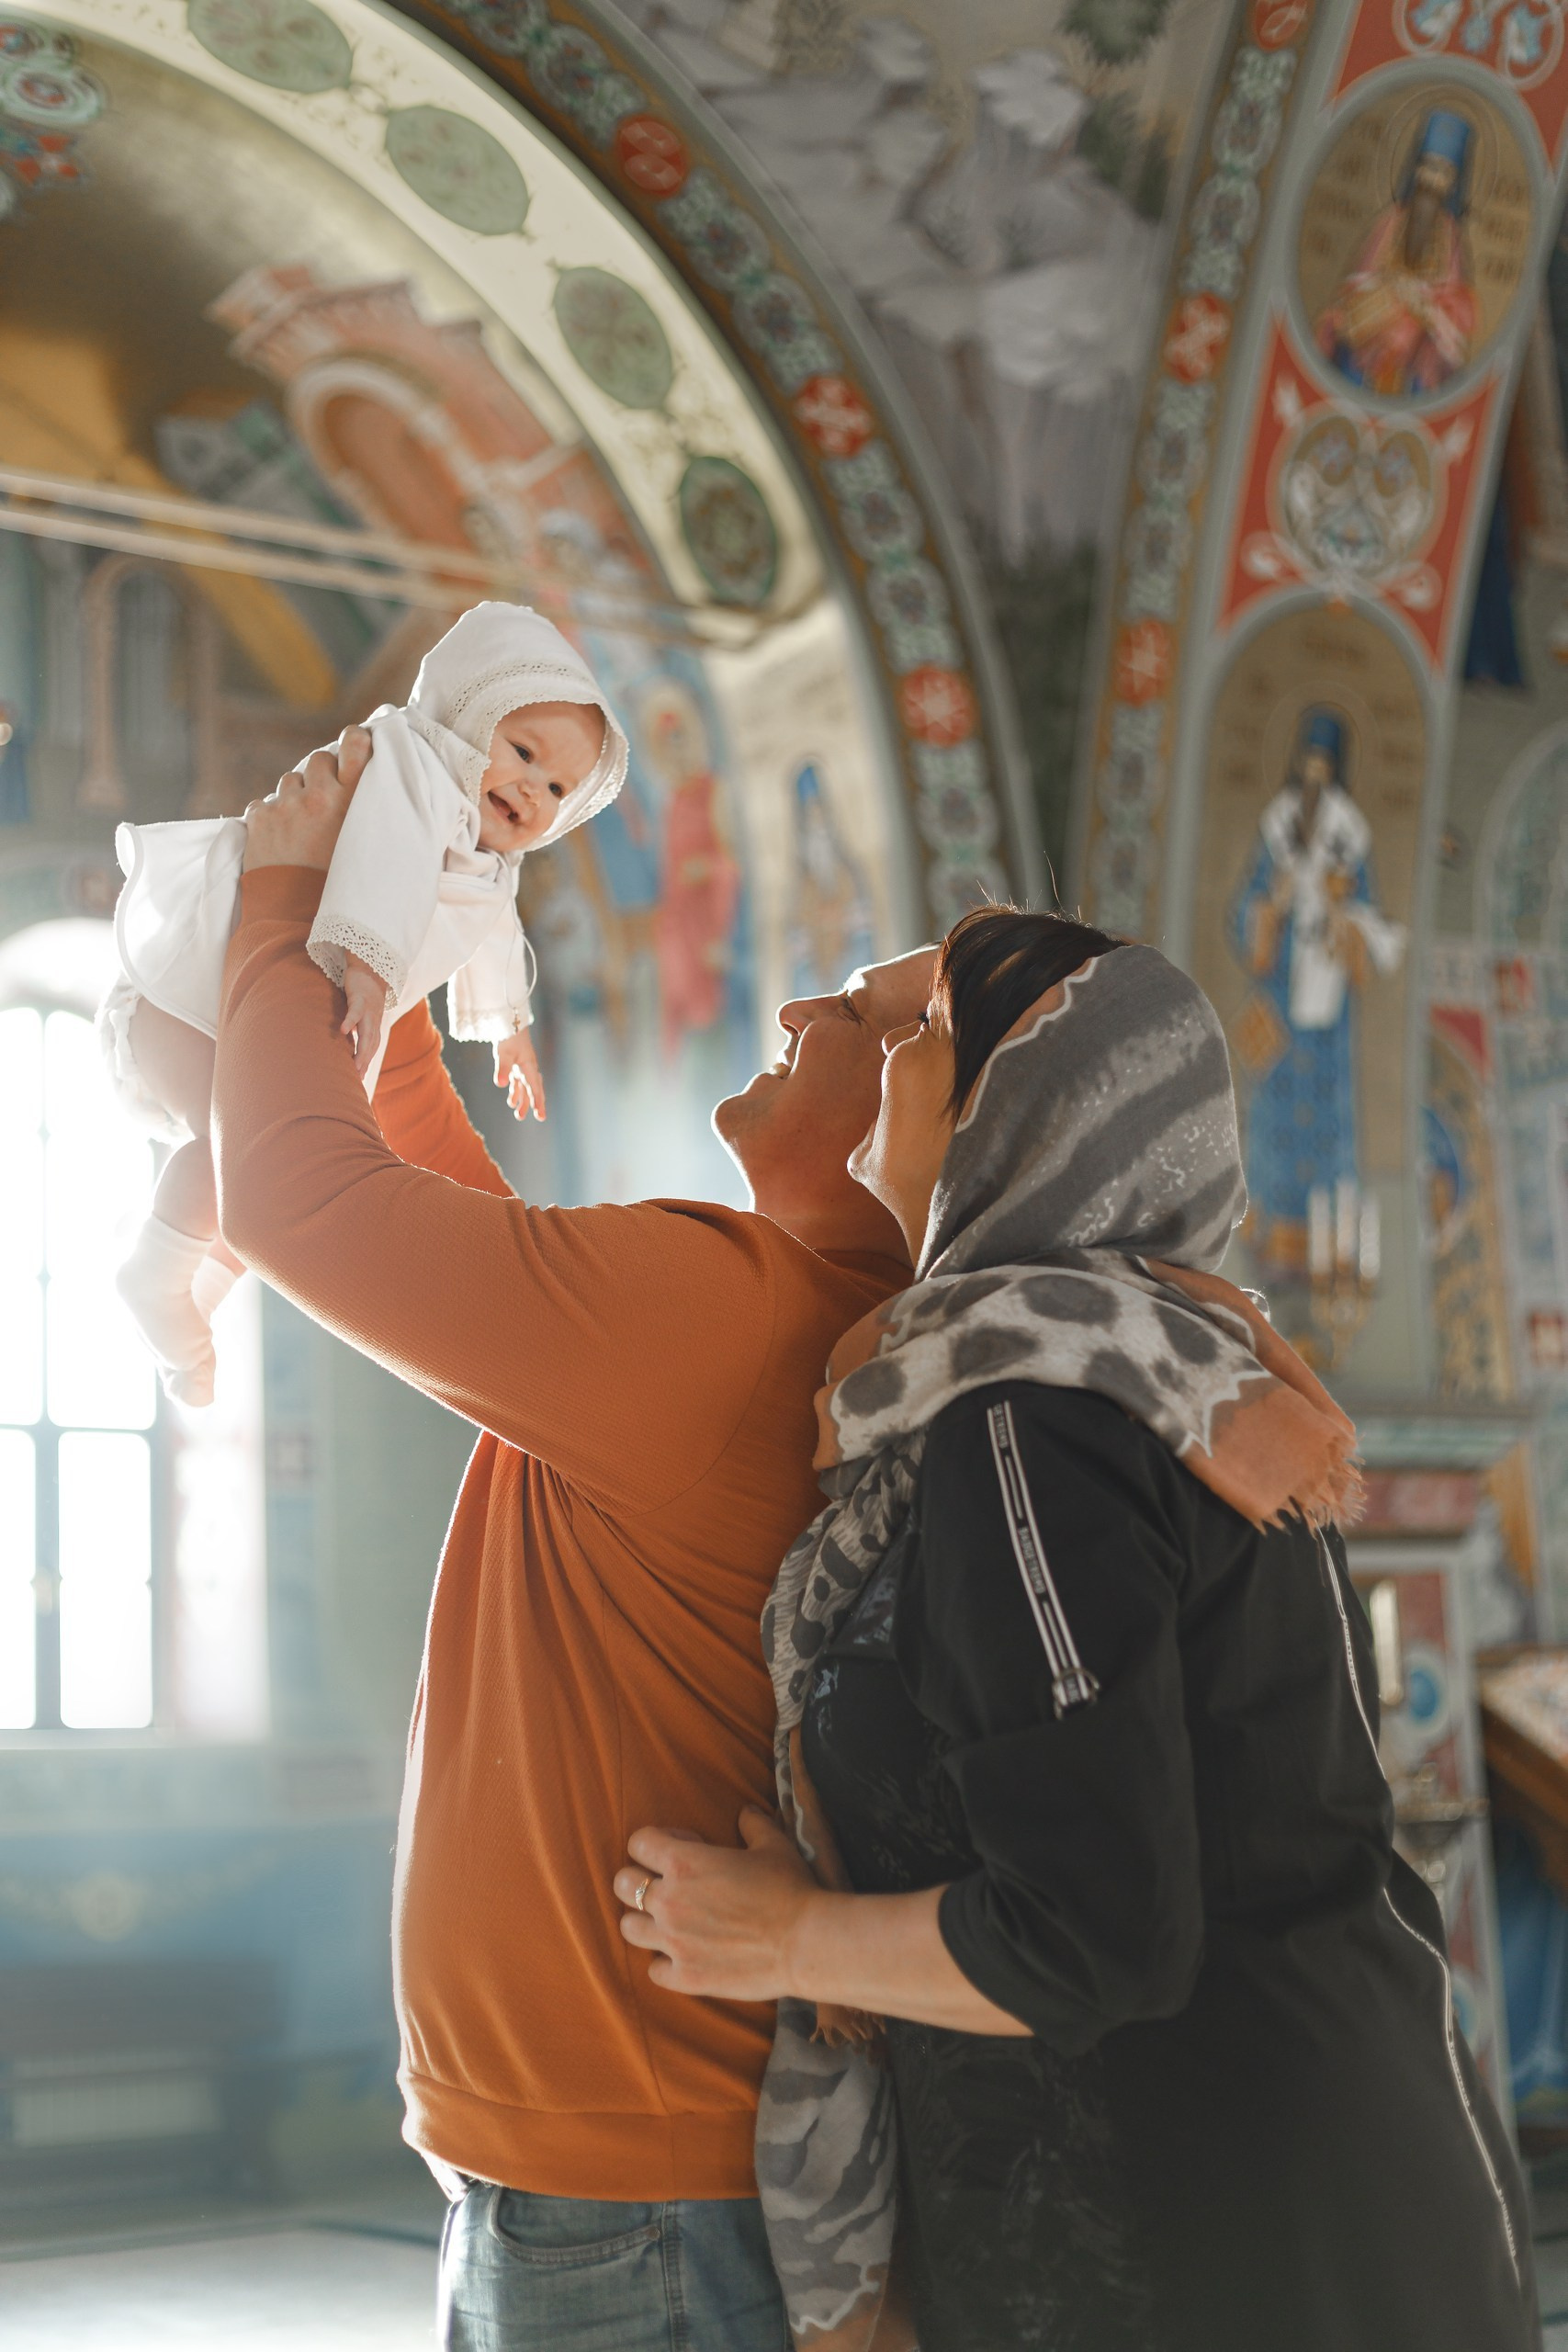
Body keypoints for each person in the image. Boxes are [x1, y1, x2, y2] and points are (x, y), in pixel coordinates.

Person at [615, 906, 1540, 2352]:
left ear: (1016, 1102)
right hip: (1287, 2170)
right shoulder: (1141, 1364)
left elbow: (1091, 1936)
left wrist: (788, 1939)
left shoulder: (1031, 1412)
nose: (878, 1049)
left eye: (919, 1027)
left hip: (1239, 2229)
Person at [212, 737, 934, 2351]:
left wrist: (272, 889)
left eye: (877, 1020)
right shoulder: (772, 1320)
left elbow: (294, 1201)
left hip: (637, 2191)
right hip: (619, 2162)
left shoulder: (736, 1320)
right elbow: (451, 1224)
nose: (810, 1008)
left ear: (936, 1135)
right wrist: (392, 931)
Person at [102, 603, 626, 1405]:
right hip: (189, 994)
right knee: (241, 1142)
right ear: (466, 713)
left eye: (557, 787)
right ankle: (157, 1270)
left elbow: (490, 935)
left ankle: (195, 1303)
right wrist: (370, 972)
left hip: (255, 1010)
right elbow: (382, 857)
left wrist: (507, 1030)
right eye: (522, 752)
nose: (532, 789)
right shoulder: (410, 765)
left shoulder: (488, 863)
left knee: (270, 1165)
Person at [1227, 705, 1405, 1272]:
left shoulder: (1352, 839)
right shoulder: (1277, 829)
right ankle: (1270, 1231)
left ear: (1338, 770)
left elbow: (1370, 923)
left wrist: (1340, 918)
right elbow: (1243, 915)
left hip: (1328, 1010)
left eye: (1325, 765)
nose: (1315, 776)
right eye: (1308, 762)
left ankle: (1330, 1246)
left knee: (1325, 1111)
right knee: (1277, 1108)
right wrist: (1272, 907)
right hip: (1280, 993)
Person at [1314, 108, 1476, 397]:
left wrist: (1426, 304)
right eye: (1428, 169)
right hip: (1376, 320)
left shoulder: (1449, 233)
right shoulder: (1393, 219)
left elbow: (1456, 299)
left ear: (1452, 182)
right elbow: (1361, 277)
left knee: (1427, 364)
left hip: (1419, 334)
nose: (1433, 180)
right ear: (1416, 170)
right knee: (1352, 345)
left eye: (1442, 173)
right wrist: (1390, 286)